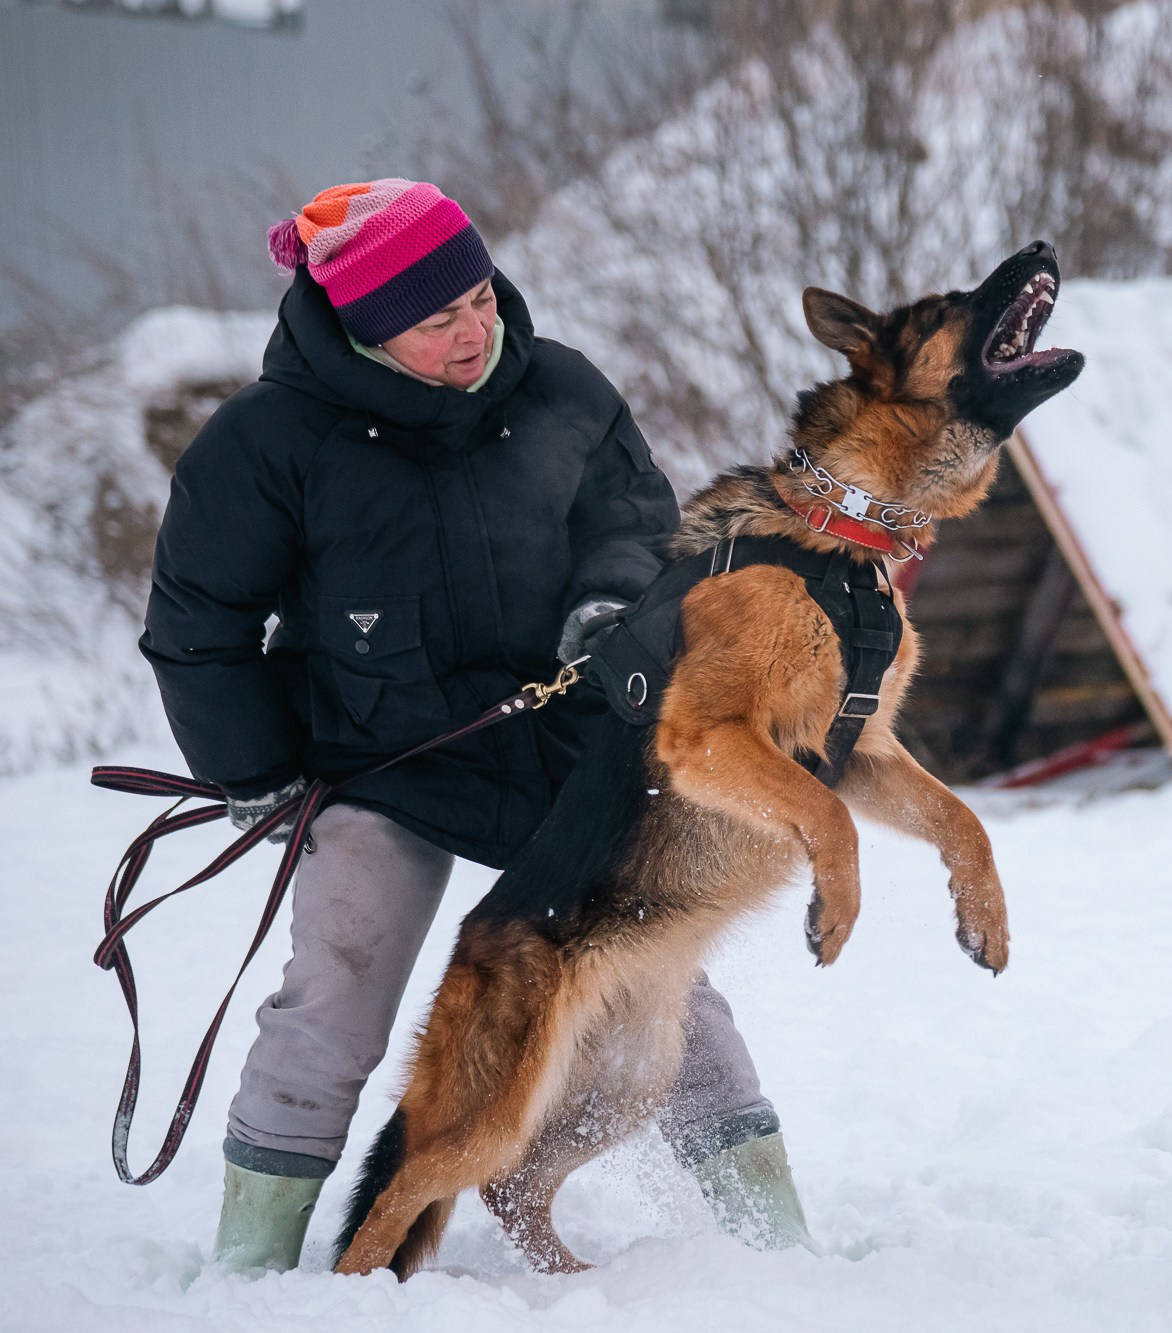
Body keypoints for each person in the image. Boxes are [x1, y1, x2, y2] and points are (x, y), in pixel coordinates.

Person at [141, 178, 807, 1274]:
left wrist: (611, 605)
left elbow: (638, 525)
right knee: (338, 989)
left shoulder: (562, 389)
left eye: (479, 299)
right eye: (436, 319)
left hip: (557, 747)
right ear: (362, 329)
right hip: (379, 761)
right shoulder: (266, 443)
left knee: (660, 981)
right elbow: (197, 625)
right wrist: (250, 770)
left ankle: (776, 1241)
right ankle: (249, 1262)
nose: (472, 329)